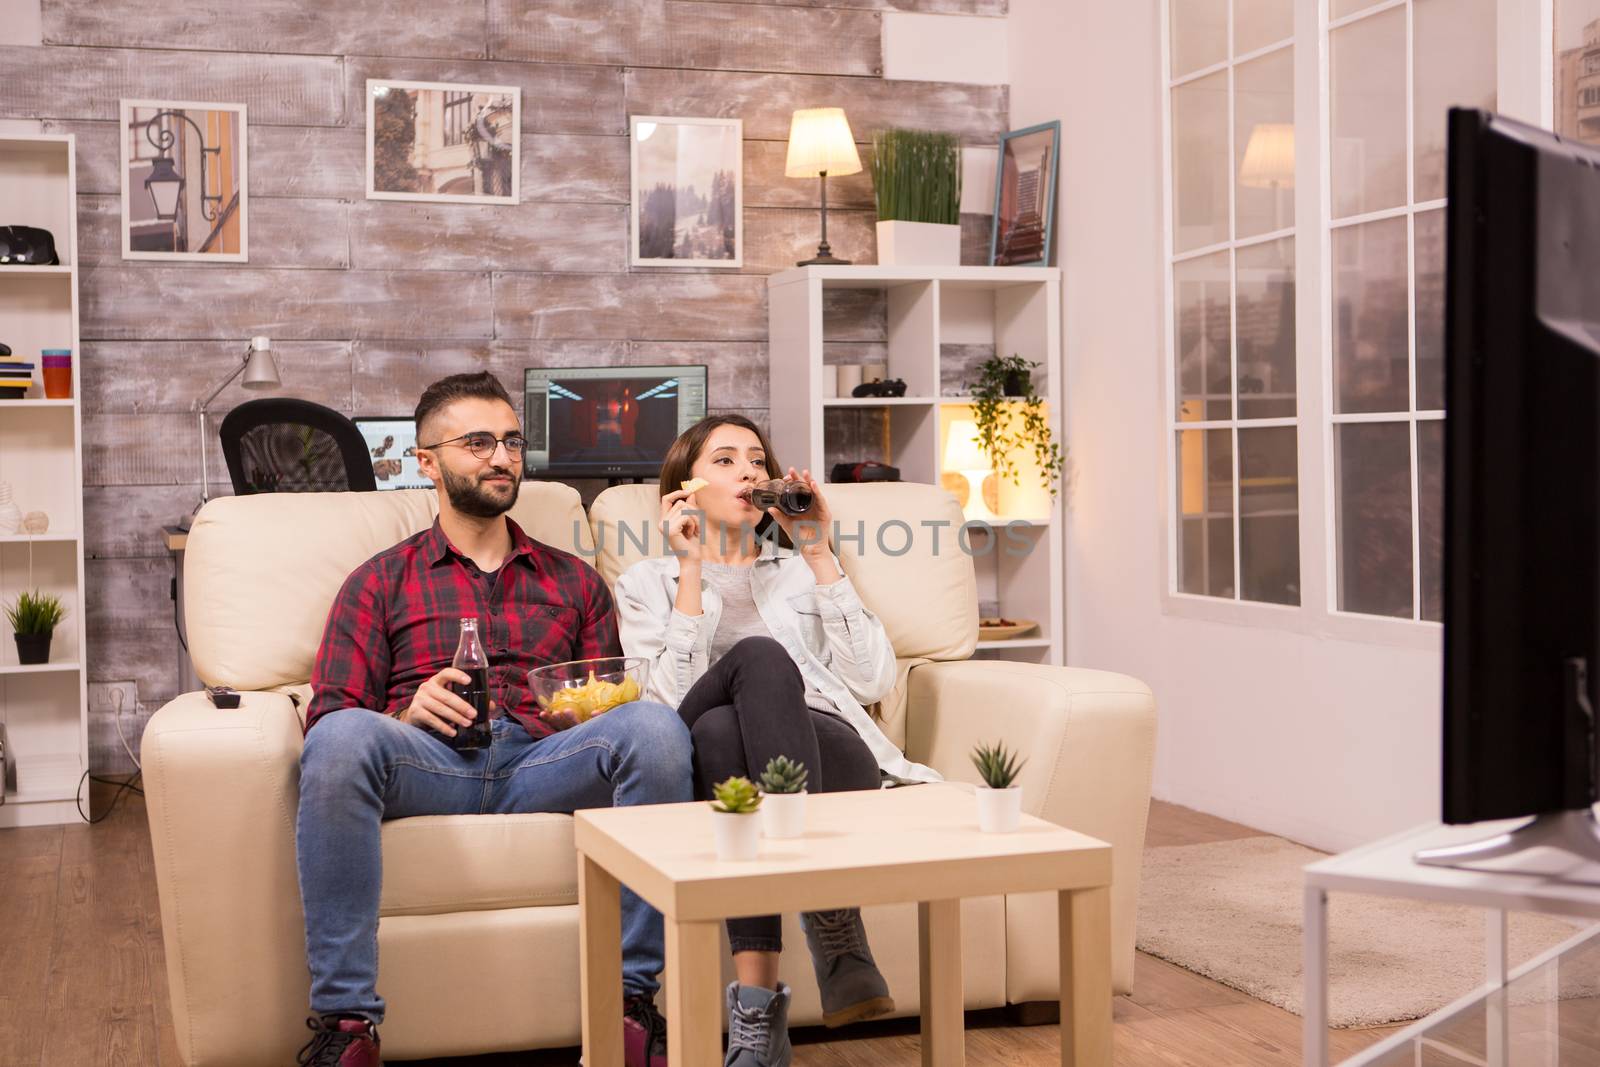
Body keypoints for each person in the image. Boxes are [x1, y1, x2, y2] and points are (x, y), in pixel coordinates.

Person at [295, 372, 690, 1067]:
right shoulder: (379, 579)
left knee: (655, 728)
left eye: (510, 441)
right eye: (478, 442)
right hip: (431, 762)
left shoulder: (573, 580)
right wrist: (404, 709)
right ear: (427, 460)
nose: (502, 457)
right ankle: (348, 1025)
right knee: (340, 736)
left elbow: (609, 705)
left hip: (542, 763)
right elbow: (329, 713)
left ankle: (630, 1007)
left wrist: (582, 707)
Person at [614, 415, 940, 1067]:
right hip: (708, 750)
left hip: (832, 752)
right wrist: (689, 571)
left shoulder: (797, 570)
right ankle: (827, 920)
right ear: (684, 487)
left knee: (732, 716)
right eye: (727, 459)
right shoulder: (645, 582)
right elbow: (664, 712)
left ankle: (758, 1024)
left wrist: (819, 550)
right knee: (726, 703)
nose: (750, 473)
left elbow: (875, 677)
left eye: (758, 460)